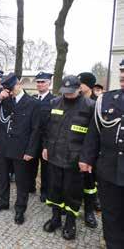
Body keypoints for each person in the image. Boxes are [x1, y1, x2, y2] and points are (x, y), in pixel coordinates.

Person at [42, 75, 95, 240]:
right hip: (55, 155)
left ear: (79, 89)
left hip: (75, 159)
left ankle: (70, 222)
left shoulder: (90, 106)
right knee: (54, 189)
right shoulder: (54, 103)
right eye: (65, 92)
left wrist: (86, 158)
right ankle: (56, 218)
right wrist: (45, 147)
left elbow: (92, 137)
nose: (67, 95)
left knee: (72, 192)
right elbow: (48, 128)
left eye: (71, 92)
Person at [79, 60, 124, 249]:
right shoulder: (105, 100)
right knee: (110, 214)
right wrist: (87, 158)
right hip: (109, 169)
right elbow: (94, 132)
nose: (122, 75)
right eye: (122, 71)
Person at [0, 73, 40, 225]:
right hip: (3, 146)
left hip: (21, 149)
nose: (9, 92)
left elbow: (36, 129)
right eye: (7, 90)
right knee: (3, 177)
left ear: (19, 85)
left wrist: (30, 151)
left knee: (21, 181)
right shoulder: (4, 100)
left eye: (11, 89)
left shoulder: (32, 103)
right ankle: (3, 201)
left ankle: (20, 209)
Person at [77, 72, 99, 227]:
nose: (78, 86)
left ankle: (89, 212)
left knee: (89, 184)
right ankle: (72, 206)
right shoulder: (74, 100)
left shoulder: (98, 103)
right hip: (73, 149)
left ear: (88, 86)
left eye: (80, 83)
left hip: (90, 151)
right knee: (73, 182)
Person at [31, 72, 55, 203]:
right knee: (30, 164)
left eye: (43, 82)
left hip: (45, 140)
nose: (40, 84)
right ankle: (31, 186)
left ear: (49, 83)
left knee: (46, 168)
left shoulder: (54, 100)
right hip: (32, 138)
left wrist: (48, 144)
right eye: (38, 82)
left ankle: (45, 191)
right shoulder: (33, 98)